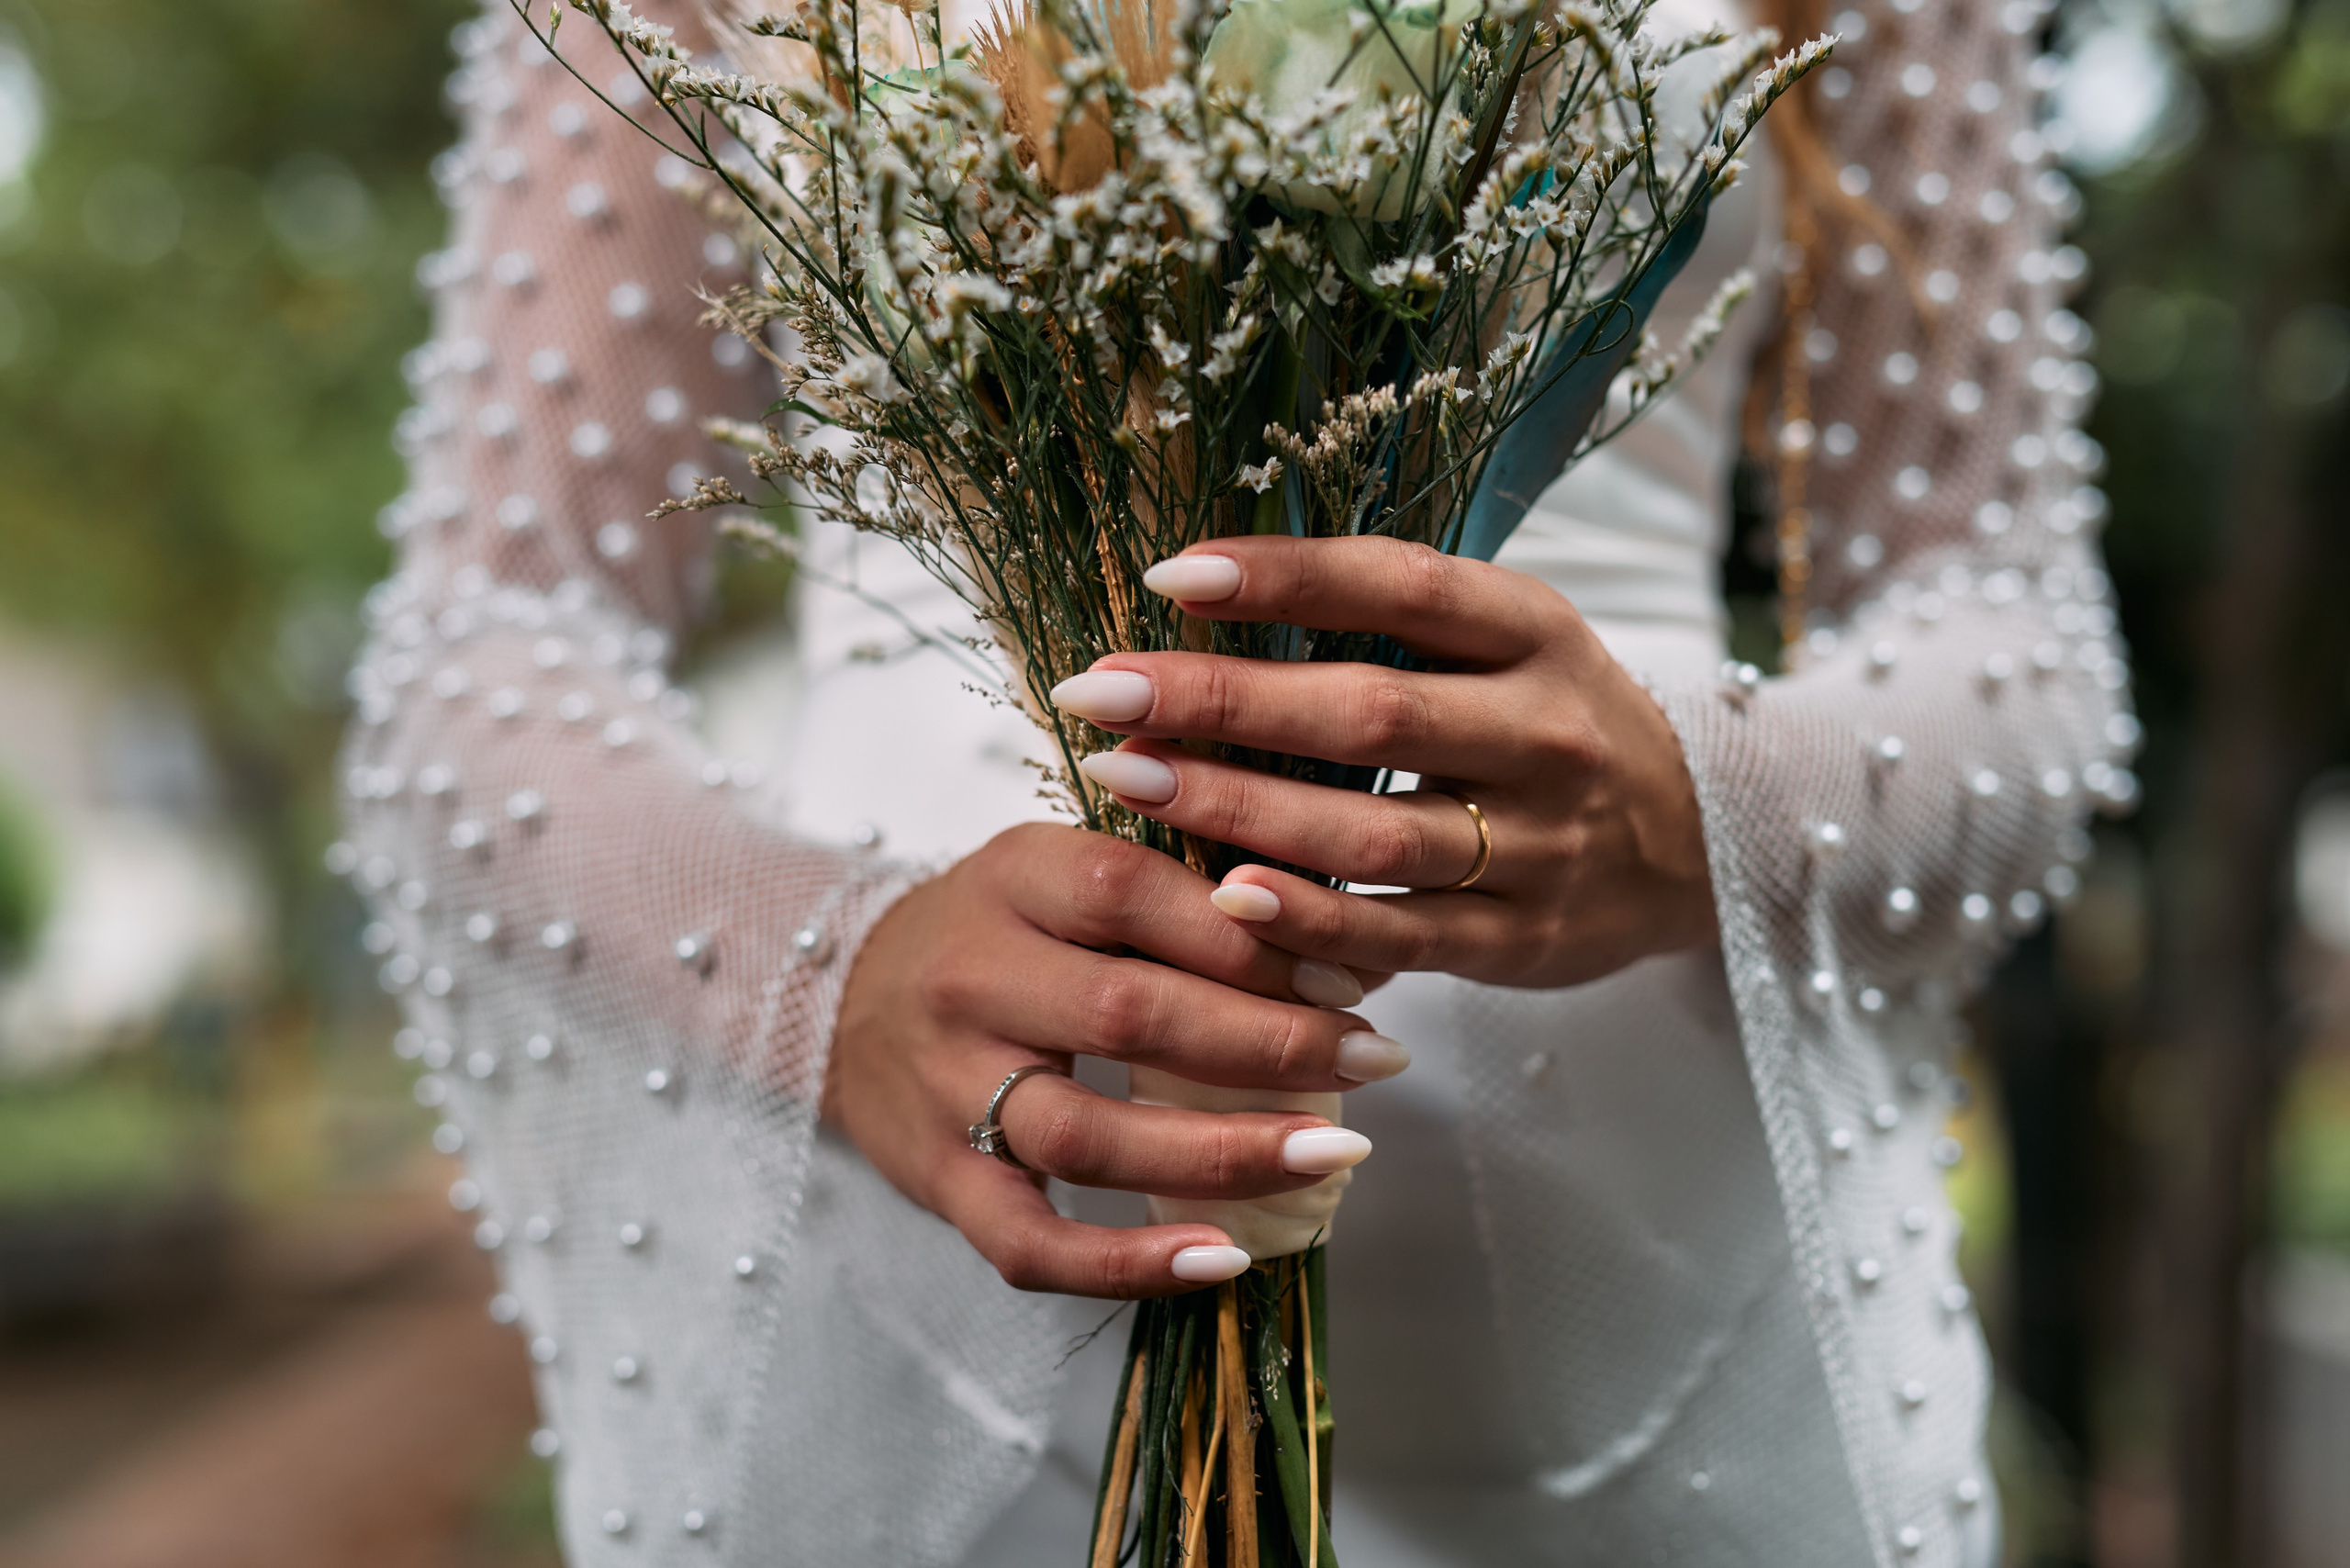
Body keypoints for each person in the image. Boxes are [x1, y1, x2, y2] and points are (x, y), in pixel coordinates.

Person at [339, 0, 2132, 1559]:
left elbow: (2023, 652)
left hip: (1669, 1378)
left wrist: (1701, 798)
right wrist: (833, 973)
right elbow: (478, 661)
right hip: (925, 1349)